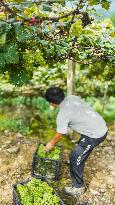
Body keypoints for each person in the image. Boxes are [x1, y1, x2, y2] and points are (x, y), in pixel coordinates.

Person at [44, 87, 108, 196]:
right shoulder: (72, 98)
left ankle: (78, 188)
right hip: (99, 125)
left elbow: (59, 135)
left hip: (95, 134)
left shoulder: (62, 115)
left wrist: (50, 144)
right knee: (77, 154)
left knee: (74, 156)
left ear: (51, 103)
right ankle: (78, 162)